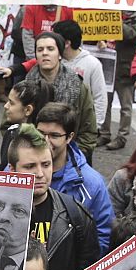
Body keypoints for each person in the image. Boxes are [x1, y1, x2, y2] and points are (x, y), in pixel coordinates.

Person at [6, 127, 99, 270]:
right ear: (12, 169)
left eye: (46, 164)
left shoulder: (75, 214)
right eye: (30, 166)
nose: (40, 173)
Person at [34, 102, 113, 245]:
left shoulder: (91, 183)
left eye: (54, 135)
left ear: (69, 137)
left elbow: (103, 235)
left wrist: (77, 258)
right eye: (40, 133)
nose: (45, 141)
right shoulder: (16, 170)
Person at [25, 31, 99, 152]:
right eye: (40, 50)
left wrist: (73, 156)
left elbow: (88, 130)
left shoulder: (77, 86)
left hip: (69, 155)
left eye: (50, 49)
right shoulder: (24, 87)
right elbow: (10, 124)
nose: (45, 53)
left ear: (60, 54)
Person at [102, 8, 136, 150]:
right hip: (109, 68)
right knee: (105, 104)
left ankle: (122, 137)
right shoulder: (114, 15)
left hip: (125, 70)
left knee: (126, 107)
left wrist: (114, 21)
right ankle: (104, 133)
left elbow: (133, 34)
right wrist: (101, 41)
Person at [0, 76, 52, 168]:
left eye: (11, 103)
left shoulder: (14, 135)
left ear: (28, 110)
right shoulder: (11, 132)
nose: (6, 106)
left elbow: (6, 171)